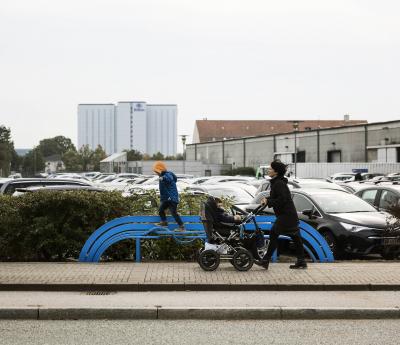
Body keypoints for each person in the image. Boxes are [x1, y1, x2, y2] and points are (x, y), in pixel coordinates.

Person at [260, 160, 307, 269]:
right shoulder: (277, 182)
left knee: (273, 233)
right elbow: (277, 198)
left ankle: (265, 260)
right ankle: (302, 261)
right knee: (296, 237)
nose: (268, 170)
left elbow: (282, 199)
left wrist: (269, 202)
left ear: (276, 172)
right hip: (288, 215)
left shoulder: (279, 183)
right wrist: (267, 200)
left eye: (270, 169)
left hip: (286, 215)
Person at [153, 161, 185, 231]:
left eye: (157, 172)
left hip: (172, 198)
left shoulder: (168, 174)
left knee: (173, 212)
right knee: (161, 210)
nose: (156, 173)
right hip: (167, 199)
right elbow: (163, 189)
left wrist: (163, 178)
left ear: (160, 170)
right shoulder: (161, 176)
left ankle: (181, 226)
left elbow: (169, 179)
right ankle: (164, 222)